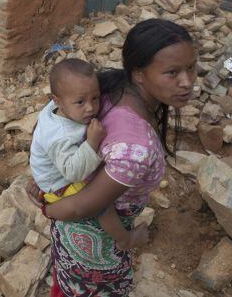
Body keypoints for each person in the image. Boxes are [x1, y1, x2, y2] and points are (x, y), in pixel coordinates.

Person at [30, 19, 197, 297]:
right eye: (172, 72)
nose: (187, 82)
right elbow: (82, 207)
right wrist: (49, 208)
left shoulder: (106, 89)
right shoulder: (133, 148)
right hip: (94, 247)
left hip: (72, 238)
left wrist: (42, 181)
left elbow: (51, 127)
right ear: (139, 74)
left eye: (191, 67)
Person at [30, 59, 135, 251]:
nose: (90, 107)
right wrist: (91, 142)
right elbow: (73, 172)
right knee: (101, 204)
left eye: (95, 98)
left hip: (53, 168)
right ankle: (124, 240)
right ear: (57, 101)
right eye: (80, 102)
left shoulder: (61, 107)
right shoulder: (59, 136)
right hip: (60, 184)